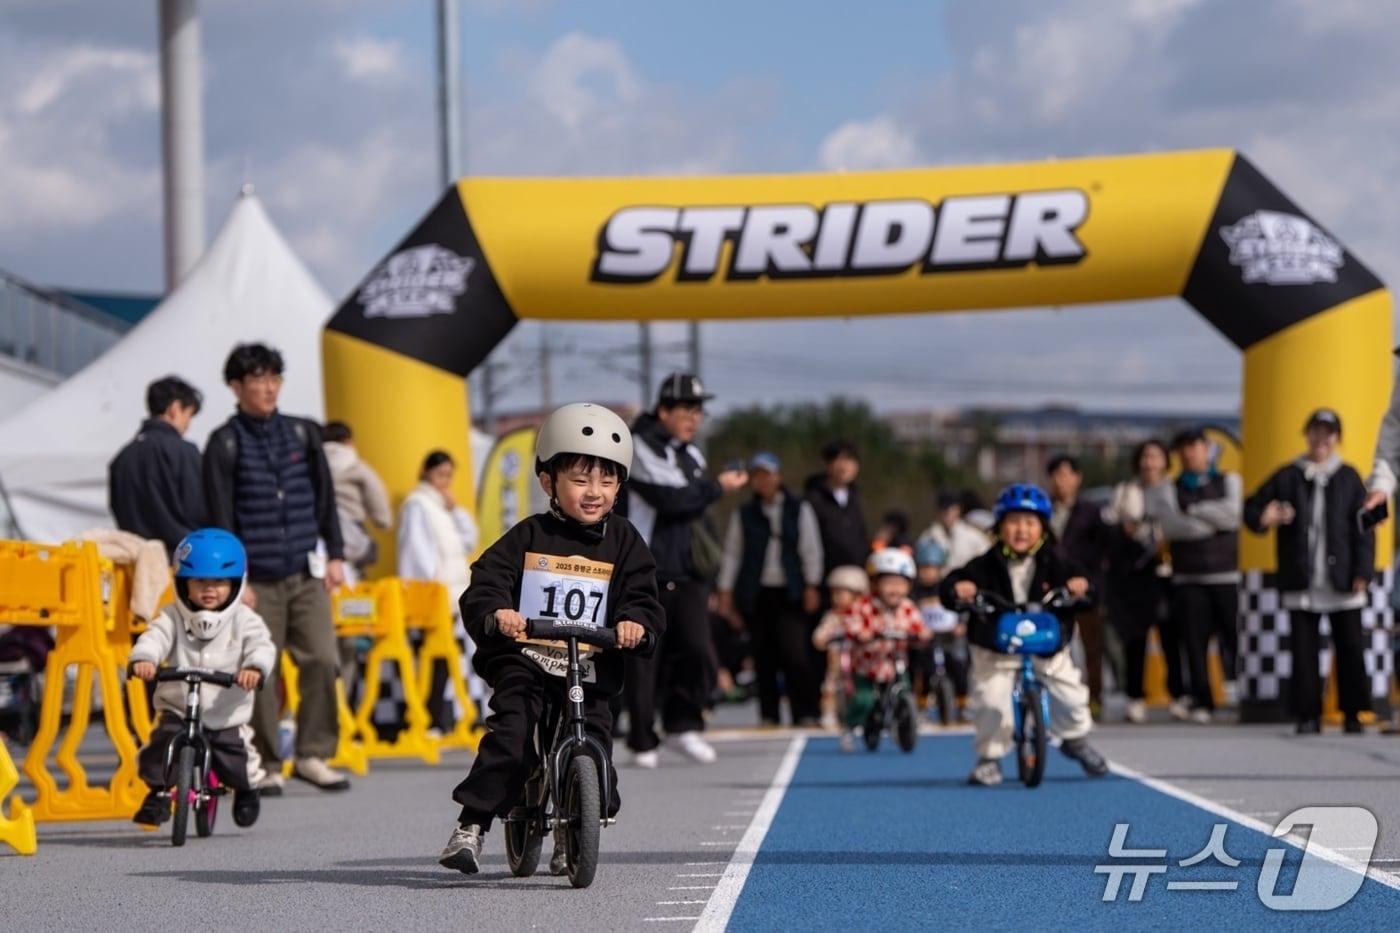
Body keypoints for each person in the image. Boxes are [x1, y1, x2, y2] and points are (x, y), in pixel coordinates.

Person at [438, 403, 663, 876]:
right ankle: (472, 824)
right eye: (581, 480)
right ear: (548, 482)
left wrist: (635, 623)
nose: (594, 492)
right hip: (529, 656)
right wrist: (498, 612)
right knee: (513, 733)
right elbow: (486, 580)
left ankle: (579, 824)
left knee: (596, 737)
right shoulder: (529, 535)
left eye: (607, 481)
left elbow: (642, 595)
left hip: (590, 661)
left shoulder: (625, 541)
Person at [203, 343, 350, 793]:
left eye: (274, 379)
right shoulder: (223, 442)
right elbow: (218, 515)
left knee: (324, 660)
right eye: (258, 380)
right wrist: (235, 581)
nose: (268, 388)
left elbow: (326, 500)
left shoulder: (304, 433)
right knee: (259, 670)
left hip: (307, 574)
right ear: (236, 387)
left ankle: (312, 754)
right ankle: (265, 761)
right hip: (256, 581)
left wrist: (337, 554)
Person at [941, 484, 1109, 786]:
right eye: (1013, 522)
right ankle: (989, 759)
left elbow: (1089, 585)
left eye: (1030, 523)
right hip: (996, 649)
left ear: (1043, 528)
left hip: (1046, 648)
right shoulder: (986, 563)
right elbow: (954, 582)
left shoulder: (1057, 561)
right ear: (999, 527)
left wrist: (1080, 586)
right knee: (992, 702)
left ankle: (1074, 741)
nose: (1022, 530)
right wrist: (959, 589)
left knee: (1071, 697)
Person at [621, 373, 747, 768]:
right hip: (646, 569)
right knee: (645, 656)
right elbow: (671, 499)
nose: (695, 418)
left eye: (699, 410)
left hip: (689, 571)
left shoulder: (691, 453)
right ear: (664, 410)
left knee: (698, 650)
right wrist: (717, 488)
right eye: (686, 409)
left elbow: (692, 504)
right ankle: (642, 740)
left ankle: (683, 724)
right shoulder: (638, 446)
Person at [129, 529, 275, 830]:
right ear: (183, 584)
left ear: (235, 583)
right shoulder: (171, 615)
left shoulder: (244, 619)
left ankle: (248, 790)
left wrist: (254, 668)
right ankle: (157, 792)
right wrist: (145, 658)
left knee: (236, 756)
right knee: (160, 746)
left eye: (219, 582)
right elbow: (155, 636)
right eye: (200, 581)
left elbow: (261, 644)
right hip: (181, 705)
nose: (209, 589)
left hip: (225, 710)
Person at [1244, 409, 1374, 734]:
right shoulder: (1288, 474)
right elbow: (1251, 507)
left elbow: (1366, 528)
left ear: (1337, 438)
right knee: (1302, 652)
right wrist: (1265, 517)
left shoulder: (1349, 476)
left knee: (1350, 649)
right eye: (1315, 431)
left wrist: (1364, 572)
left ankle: (1353, 713)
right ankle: (1307, 714)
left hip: (1342, 579)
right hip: (1300, 579)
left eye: (1328, 433)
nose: (1321, 439)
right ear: (1306, 435)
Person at [717, 452, 824, 726]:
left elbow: (811, 549)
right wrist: (725, 592)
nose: (764, 480)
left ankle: (805, 712)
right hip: (757, 592)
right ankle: (769, 713)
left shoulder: (799, 508)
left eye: (768, 474)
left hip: (791, 591)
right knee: (764, 655)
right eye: (758, 475)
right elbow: (732, 554)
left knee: (796, 653)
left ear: (779, 476)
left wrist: (812, 584)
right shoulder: (744, 514)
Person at [1145, 429, 1242, 724]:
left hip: (1227, 576)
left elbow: (1234, 515)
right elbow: (1173, 526)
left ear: (1207, 448)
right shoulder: (1168, 488)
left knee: (1236, 640)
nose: (1189, 453)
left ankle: (1242, 694)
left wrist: (1195, 510)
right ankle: (1203, 701)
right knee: (1193, 644)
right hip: (1187, 578)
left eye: (1195, 446)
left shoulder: (1229, 481)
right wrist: (1213, 523)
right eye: (1183, 448)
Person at [398, 449, 483, 727]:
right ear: (426, 472)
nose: (444, 481)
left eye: (448, 475)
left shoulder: (440, 506)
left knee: (451, 657)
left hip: (454, 593)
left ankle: (450, 716)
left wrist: (455, 509)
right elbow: (417, 552)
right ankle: (433, 717)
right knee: (435, 658)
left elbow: (469, 541)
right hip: (437, 594)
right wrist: (430, 592)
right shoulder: (417, 504)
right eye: (440, 474)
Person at [817, 548, 928, 753]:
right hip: (867, 667)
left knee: (905, 687)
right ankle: (849, 728)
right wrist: (862, 633)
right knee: (863, 699)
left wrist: (922, 634)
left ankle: (902, 721)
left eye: (901, 583)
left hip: (894, 664)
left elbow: (919, 626)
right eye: (889, 583)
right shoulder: (864, 605)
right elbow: (851, 623)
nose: (895, 590)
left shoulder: (907, 607)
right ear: (875, 584)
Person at [1102, 440, 1179, 724]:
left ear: (1165, 461)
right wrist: (1127, 528)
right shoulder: (1126, 491)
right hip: (1134, 573)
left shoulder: (1174, 489)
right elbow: (1112, 525)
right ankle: (1135, 696)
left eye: (1156, 457)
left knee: (1172, 635)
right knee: (1136, 637)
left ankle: (1178, 694)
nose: (1150, 463)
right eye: (1145, 457)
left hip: (1168, 571)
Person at [108, 376, 206, 555]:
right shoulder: (184, 452)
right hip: (181, 563)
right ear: (175, 409)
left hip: (135, 564)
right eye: (188, 416)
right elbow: (199, 511)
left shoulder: (122, 458)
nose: (188, 426)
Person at [1046, 455, 1110, 710]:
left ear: (1077, 477)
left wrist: (1093, 581)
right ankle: (1057, 699)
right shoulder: (1042, 511)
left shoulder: (1092, 512)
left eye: (1067, 474)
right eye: (1057, 475)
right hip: (1051, 587)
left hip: (1085, 587)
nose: (1062, 481)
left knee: (1092, 646)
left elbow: (1104, 549)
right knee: (1053, 643)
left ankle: (1094, 697)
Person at [321, 421, 392, 582]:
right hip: (352, 532)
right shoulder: (356, 466)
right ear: (348, 441)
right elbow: (377, 497)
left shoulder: (315, 464)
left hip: (323, 534)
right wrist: (383, 522)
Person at [910, 540, 968, 717]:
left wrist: (961, 624)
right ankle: (922, 704)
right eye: (923, 568)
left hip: (948, 639)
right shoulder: (914, 592)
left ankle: (962, 704)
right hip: (926, 640)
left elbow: (961, 608)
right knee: (923, 671)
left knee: (958, 668)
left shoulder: (947, 588)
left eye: (931, 568)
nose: (927, 572)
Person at [812, 565, 869, 730]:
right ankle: (829, 714)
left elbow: (870, 629)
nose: (836, 598)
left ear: (858, 594)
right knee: (830, 686)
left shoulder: (861, 615)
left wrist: (865, 635)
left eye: (841, 593)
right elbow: (822, 632)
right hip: (837, 661)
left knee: (863, 688)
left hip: (860, 661)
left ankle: (861, 715)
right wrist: (821, 637)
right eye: (834, 593)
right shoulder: (833, 616)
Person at [804, 440, 870, 574]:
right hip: (824, 577)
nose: (845, 466)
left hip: (855, 575)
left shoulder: (856, 499)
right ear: (827, 464)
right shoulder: (812, 499)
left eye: (850, 460)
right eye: (839, 460)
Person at [917, 492, 989, 571]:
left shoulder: (974, 536)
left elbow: (987, 562)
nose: (948, 513)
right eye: (944, 509)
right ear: (938, 512)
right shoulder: (928, 536)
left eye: (952, 509)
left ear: (959, 510)